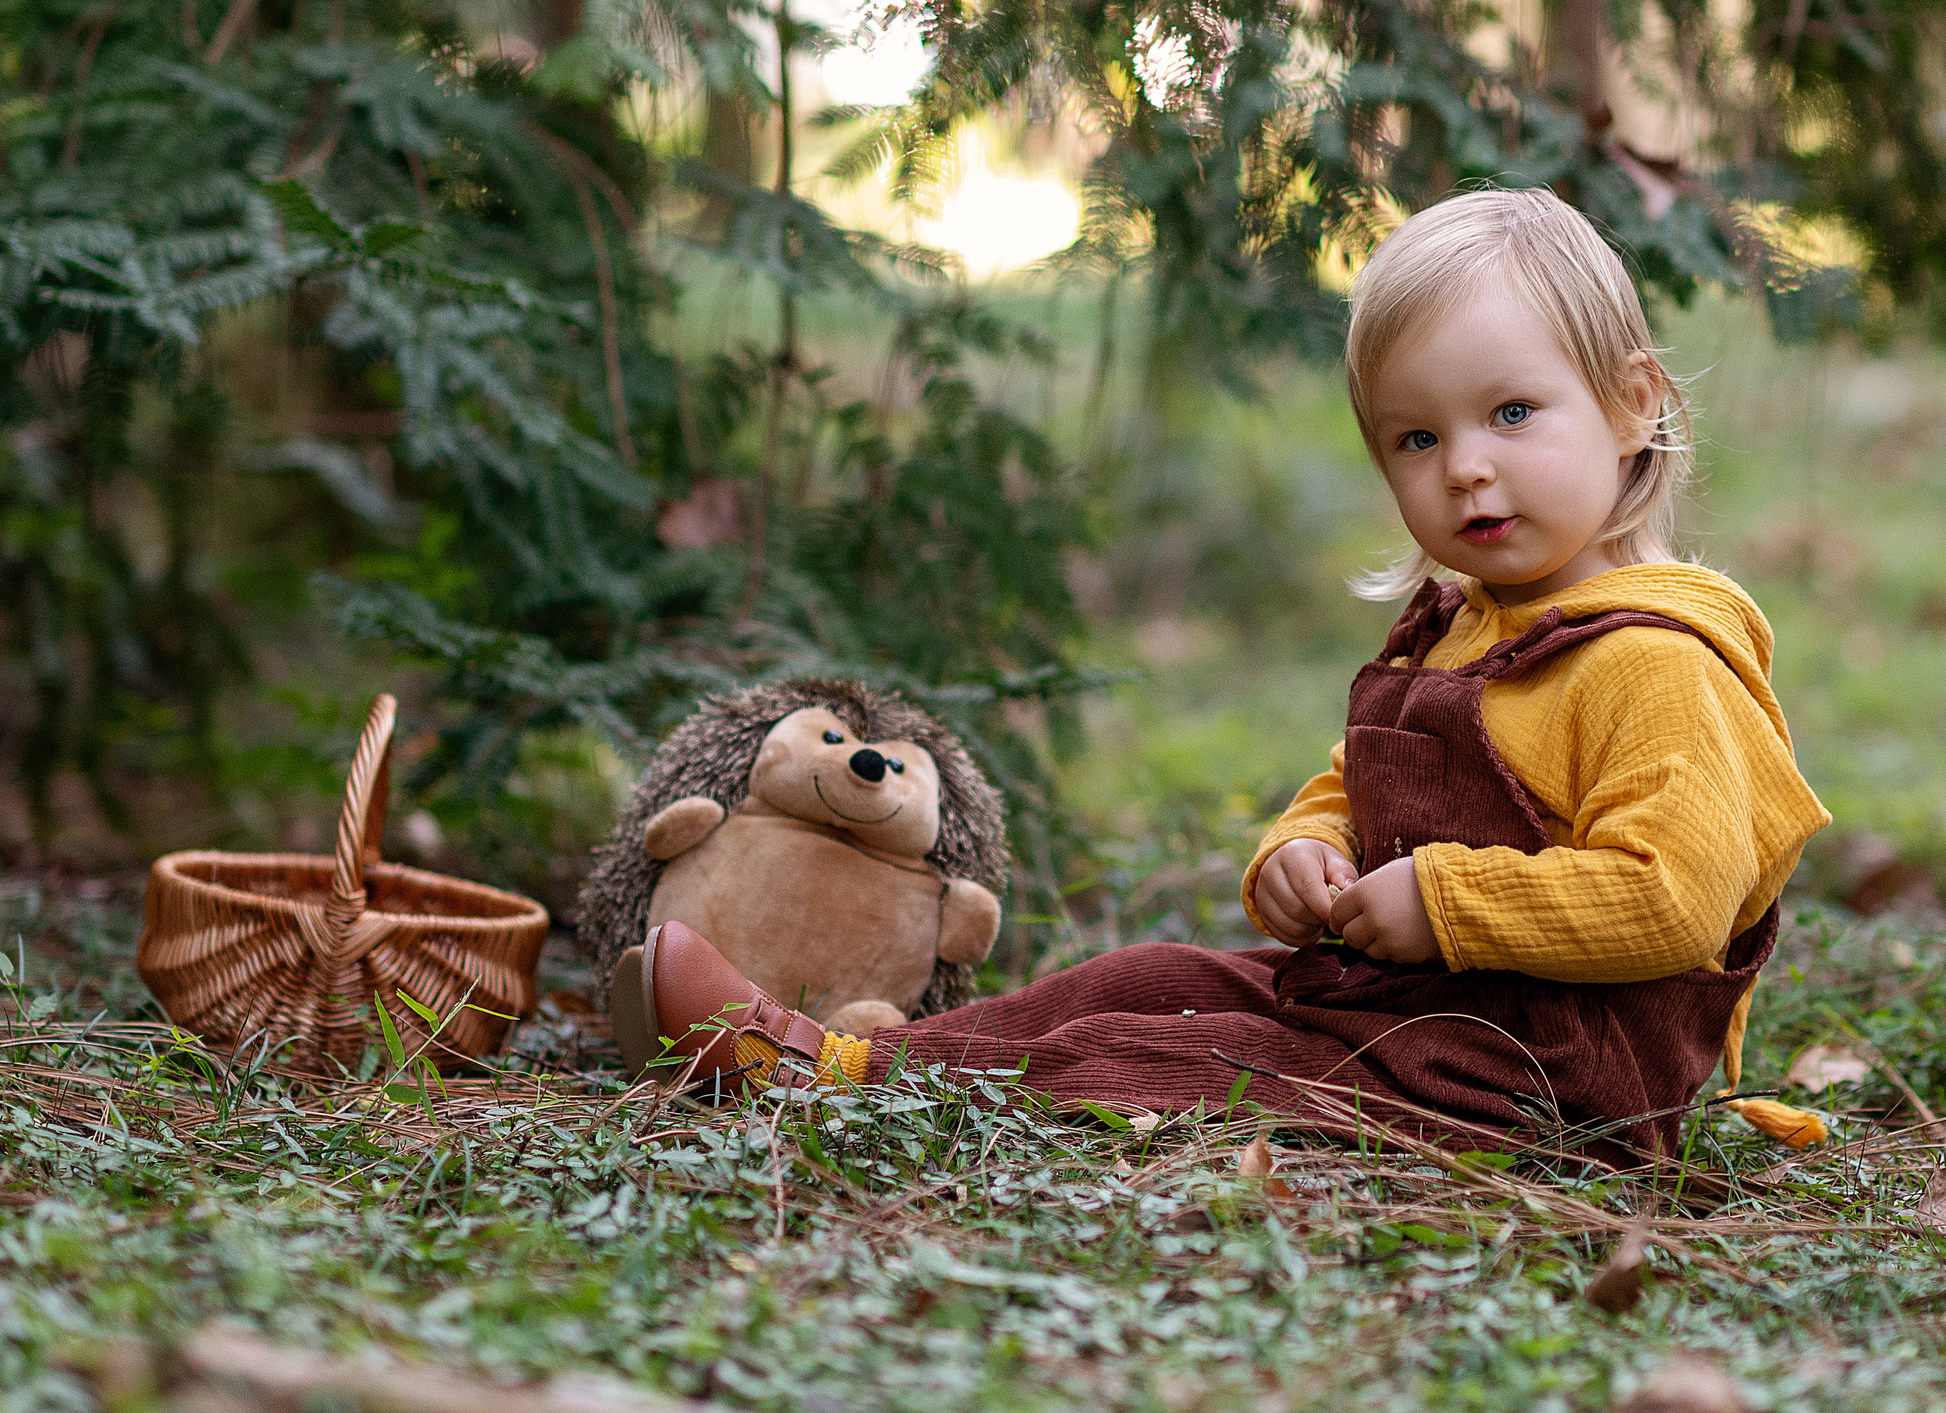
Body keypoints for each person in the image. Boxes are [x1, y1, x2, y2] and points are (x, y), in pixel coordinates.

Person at [621, 188, 1830, 1162]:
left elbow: (1671, 895)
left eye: (1512, 411)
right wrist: (1305, 852)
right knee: (1147, 976)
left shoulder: (1654, 661)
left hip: (1542, 1076)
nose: (1464, 467)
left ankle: (822, 1072)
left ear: (1630, 405)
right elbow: (1355, 788)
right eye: (1416, 436)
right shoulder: (1466, 625)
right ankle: (866, 1048)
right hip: (1411, 1014)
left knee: (1189, 1059)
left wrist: (1447, 903)